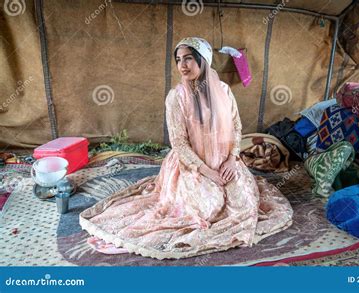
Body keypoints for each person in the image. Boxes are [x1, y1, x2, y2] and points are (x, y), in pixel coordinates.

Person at [79, 37, 293, 260]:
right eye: (179, 60)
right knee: (207, 207)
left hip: (224, 161)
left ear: (203, 60)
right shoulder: (176, 97)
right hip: (191, 165)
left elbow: (237, 126)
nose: (182, 65)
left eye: (189, 59)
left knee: (245, 204)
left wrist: (231, 159)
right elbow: (179, 143)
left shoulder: (224, 90)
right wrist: (207, 172)